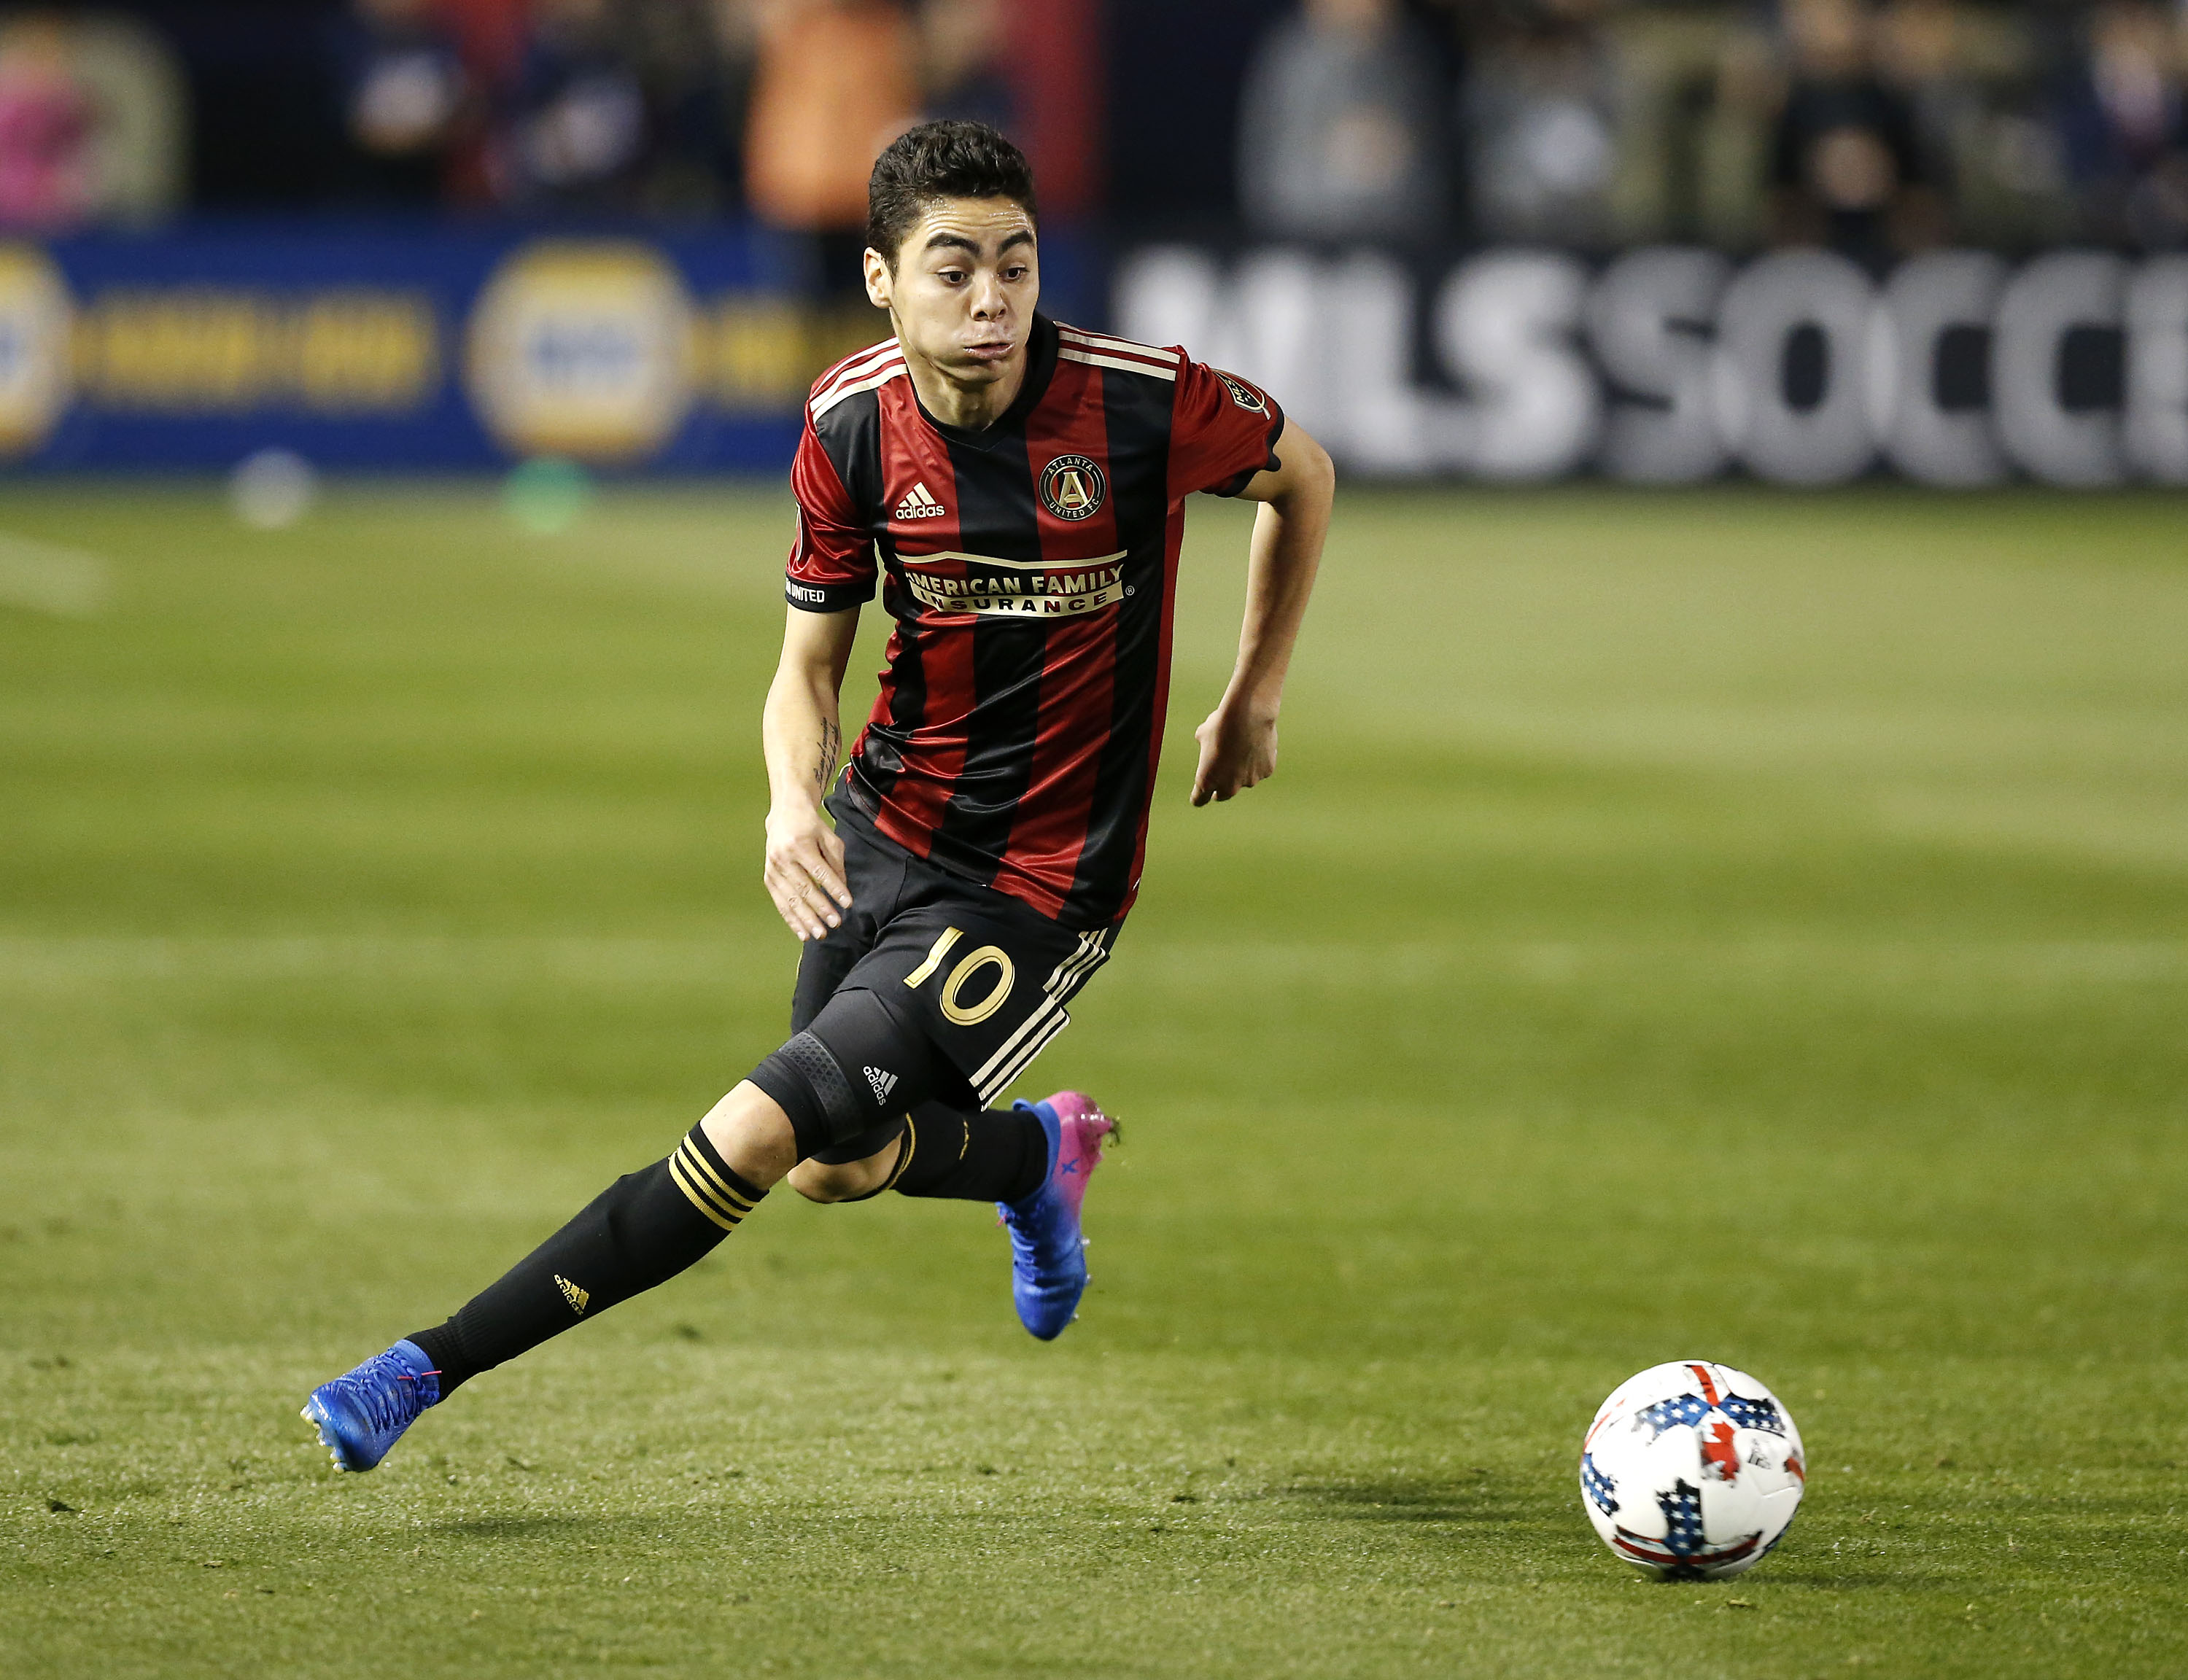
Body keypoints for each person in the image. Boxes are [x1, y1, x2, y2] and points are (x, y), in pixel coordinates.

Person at [301, 120, 1337, 1474]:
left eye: (1016, 265)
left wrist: (1255, 691)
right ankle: (1036, 1158)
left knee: (750, 1135)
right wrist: (793, 802)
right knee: (830, 1166)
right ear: (880, 279)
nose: (992, 300)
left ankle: (419, 1369)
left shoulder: (1137, 403)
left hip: (1037, 882)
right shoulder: (851, 422)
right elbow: (808, 669)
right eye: (954, 269)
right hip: (882, 826)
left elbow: (1302, 474)